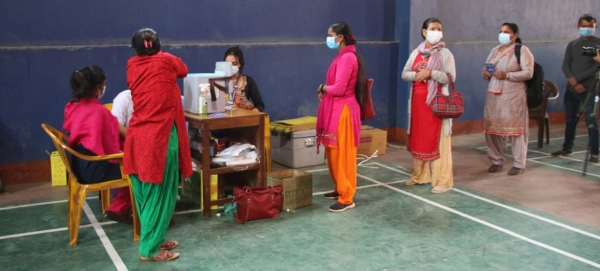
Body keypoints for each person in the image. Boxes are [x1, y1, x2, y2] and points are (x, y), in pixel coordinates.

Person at [124, 28, 191, 261]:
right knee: (161, 193)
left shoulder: (131, 66)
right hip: (160, 139)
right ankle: (150, 249)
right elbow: (184, 70)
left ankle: (157, 236)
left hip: (136, 138)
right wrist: (163, 53)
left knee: (145, 194)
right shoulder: (167, 60)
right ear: (159, 45)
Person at [62, 65, 130, 214]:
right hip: (94, 170)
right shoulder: (97, 110)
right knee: (137, 168)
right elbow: (115, 134)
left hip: (79, 166)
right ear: (98, 88)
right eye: (104, 86)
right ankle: (120, 209)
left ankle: (121, 207)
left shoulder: (72, 105)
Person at [401, 18, 455, 193]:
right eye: (433, 28)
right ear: (424, 32)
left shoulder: (445, 53)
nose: (437, 32)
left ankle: (442, 181)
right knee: (420, 137)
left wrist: (431, 73)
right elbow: (404, 73)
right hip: (418, 104)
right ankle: (420, 175)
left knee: (438, 140)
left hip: (436, 104)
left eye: (439, 29)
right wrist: (417, 75)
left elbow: (450, 77)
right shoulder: (416, 52)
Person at [316, 22, 365, 212]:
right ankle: (339, 188)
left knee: (344, 155)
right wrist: (325, 92)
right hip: (335, 109)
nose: (328, 39)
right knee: (334, 152)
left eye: (330, 35)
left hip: (344, 111)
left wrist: (323, 88)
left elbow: (339, 88)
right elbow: (334, 88)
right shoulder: (342, 57)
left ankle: (347, 197)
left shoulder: (347, 58)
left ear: (340, 37)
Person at [482, 23, 534, 175]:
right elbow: (486, 68)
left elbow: (528, 73)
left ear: (515, 35)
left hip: (513, 96)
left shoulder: (522, 50)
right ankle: (496, 160)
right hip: (493, 94)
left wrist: (507, 75)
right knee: (493, 129)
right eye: (501, 31)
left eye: (506, 32)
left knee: (515, 130)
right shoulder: (495, 50)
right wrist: (485, 73)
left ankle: (519, 164)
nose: (502, 34)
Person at [552, 14, 600, 163]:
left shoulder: (598, 44)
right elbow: (566, 64)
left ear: (595, 27)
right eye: (584, 26)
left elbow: (597, 67)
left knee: (591, 120)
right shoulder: (572, 44)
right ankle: (567, 148)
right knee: (570, 120)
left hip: (591, 89)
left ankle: (594, 153)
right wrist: (573, 83)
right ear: (578, 27)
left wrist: (577, 80)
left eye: (590, 26)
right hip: (572, 89)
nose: (587, 29)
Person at [222, 46, 265, 112]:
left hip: (244, 119)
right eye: (227, 63)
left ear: (240, 64)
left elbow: (260, 105)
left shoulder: (248, 81)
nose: (230, 66)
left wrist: (250, 115)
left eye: (234, 63)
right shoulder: (218, 82)